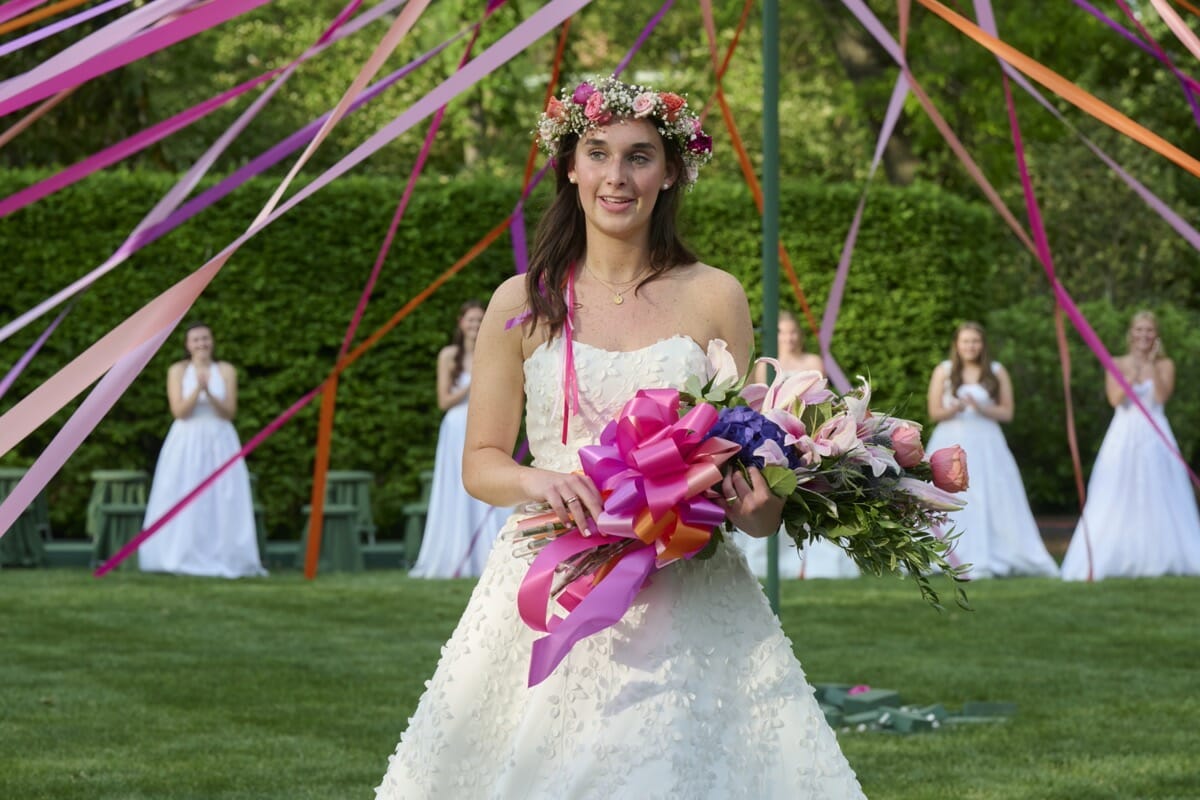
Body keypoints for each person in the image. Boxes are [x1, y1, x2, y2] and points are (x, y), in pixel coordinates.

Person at [376, 75, 865, 798]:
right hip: (552, 573)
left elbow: (744, 465)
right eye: (598, 153)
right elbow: (480, 463)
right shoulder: (522, 300)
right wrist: (542, 480)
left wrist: (763, 510)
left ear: (669, 173)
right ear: (570, 168)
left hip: (684, 581)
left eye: (639, 157)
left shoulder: (715, 295)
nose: (617, 176)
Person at [1061, 311, 1200, 580]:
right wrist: (1134, 371)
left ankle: (1162, 553)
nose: (1144, 335)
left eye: (1149, 330)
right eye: (1139, 330)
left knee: (1160, 490)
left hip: (1155, 433)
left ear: (1156, 335)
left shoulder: (1165, 364)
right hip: (1124, 433)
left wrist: (1150, 365)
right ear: (1131, 333)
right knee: (1115, 490)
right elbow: (1115, 399)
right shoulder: (1115, 362)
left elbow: (1161, 397)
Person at [924, 322, 1058, 579]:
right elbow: (934, 412)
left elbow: (1007, 412)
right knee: (948, 493)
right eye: (965, 341)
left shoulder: (996, 371)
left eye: (975, 341)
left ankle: (994, 551)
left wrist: (981, 407)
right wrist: (955, 408)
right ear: (957, 345)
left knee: (992, 493)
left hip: (987, 441)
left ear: (983, 344)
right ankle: (944, 552)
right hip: (950, 440)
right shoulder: (943, 370)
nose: (970, 346)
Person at [739, 310, 859, 579]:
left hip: (807, 430)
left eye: (793, 332)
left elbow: (822, 397)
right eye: (783, 333)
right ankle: (778, 562)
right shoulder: (765, 365)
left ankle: (812, 562)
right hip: (776, 433)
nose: (789, 338)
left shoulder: (812, 361)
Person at [139, 323, 266, 578]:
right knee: (183, 491)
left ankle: (225, 555)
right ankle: (180, 553)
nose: (201, 344)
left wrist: (210, 392)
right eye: (196, 340)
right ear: (188, 345)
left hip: (220, 438)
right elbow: (179, 411)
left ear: (212, 341)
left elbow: (229, 412)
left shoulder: (226, 370)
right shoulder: (177, 370)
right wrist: (198, 390)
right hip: (187, 439)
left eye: (205, 338)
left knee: (223, 495)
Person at [409, 300, 511, 578]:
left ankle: (486, 552)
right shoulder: (448, 355)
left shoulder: (494, 351)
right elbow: (443, 401)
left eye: (480, 320)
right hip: (456, 427)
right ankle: (453, 553)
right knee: (457, 484)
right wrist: (472, 382)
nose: (475, 325)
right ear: (461, 323)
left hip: (485, 421)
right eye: (471, 320)